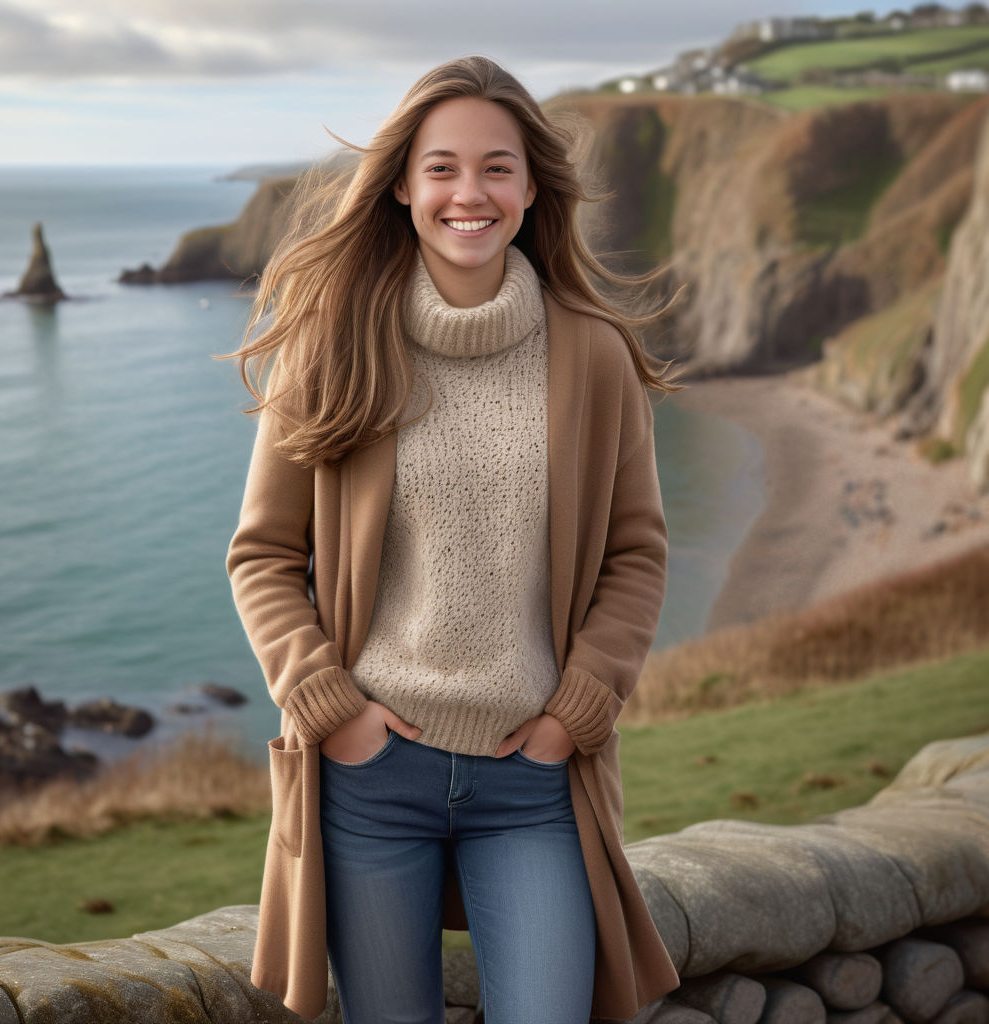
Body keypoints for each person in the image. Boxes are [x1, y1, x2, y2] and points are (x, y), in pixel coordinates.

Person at [225, 55, 685, 1024]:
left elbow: (635, 554)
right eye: (441, 167)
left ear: (529, 188)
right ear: (400, 184)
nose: (467, 193)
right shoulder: (331, 342)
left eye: (495, 167)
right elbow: (264, 555)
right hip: (370, 776)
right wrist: (330, 707)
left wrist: (578, 708)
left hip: (531, 780)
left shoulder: (590, 353)